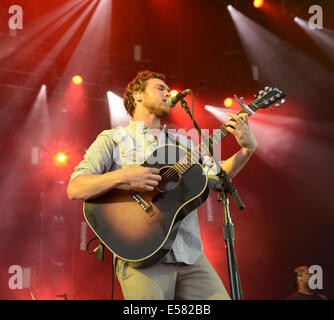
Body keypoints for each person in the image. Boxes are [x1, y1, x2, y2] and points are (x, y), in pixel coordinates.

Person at [67, 70, 258, 300]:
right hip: (142, 258)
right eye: (160, 88)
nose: (168, 93)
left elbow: (218, 177)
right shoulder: (113, 138)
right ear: (137, 96)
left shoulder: (184, 144)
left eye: (168, 90)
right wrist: (125, 176)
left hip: (190, 256)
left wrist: (246, 151)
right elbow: (76, 187)